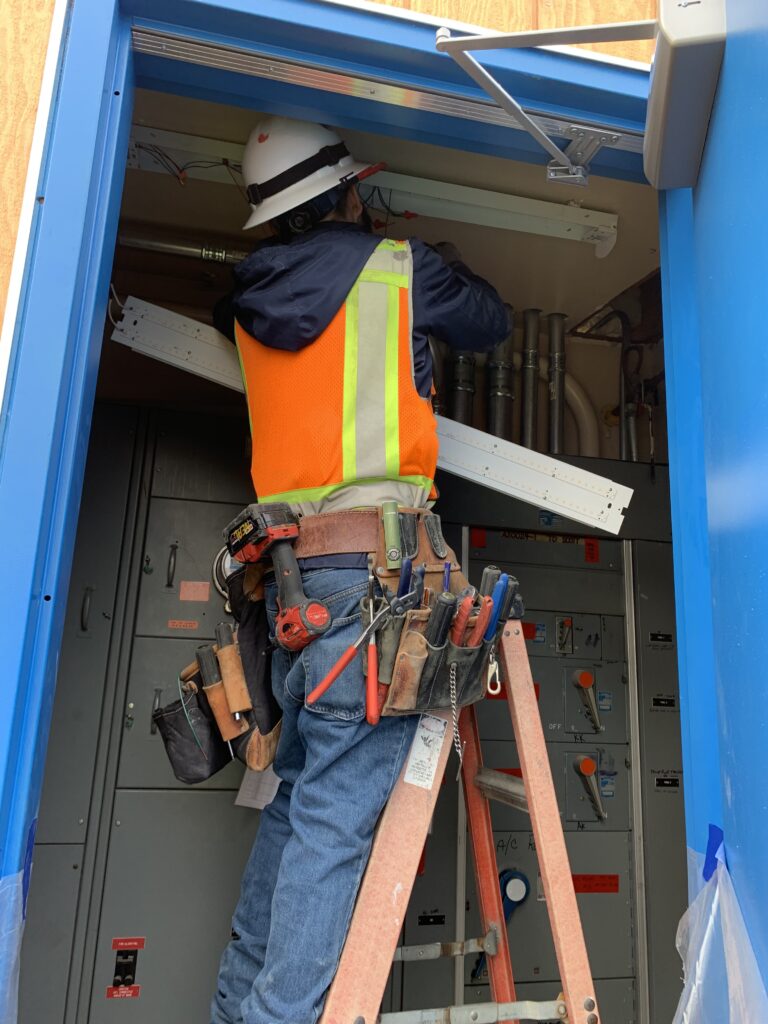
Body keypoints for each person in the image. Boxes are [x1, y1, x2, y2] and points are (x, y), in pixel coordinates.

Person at [211, 115, 510, 1024]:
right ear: (346, 193)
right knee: (333, 825)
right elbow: (490, 320)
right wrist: (435, 260)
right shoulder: (396, 268)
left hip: (291, 595)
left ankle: (237, 1010)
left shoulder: (246, 299)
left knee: (300, 808)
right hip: (371, 587)